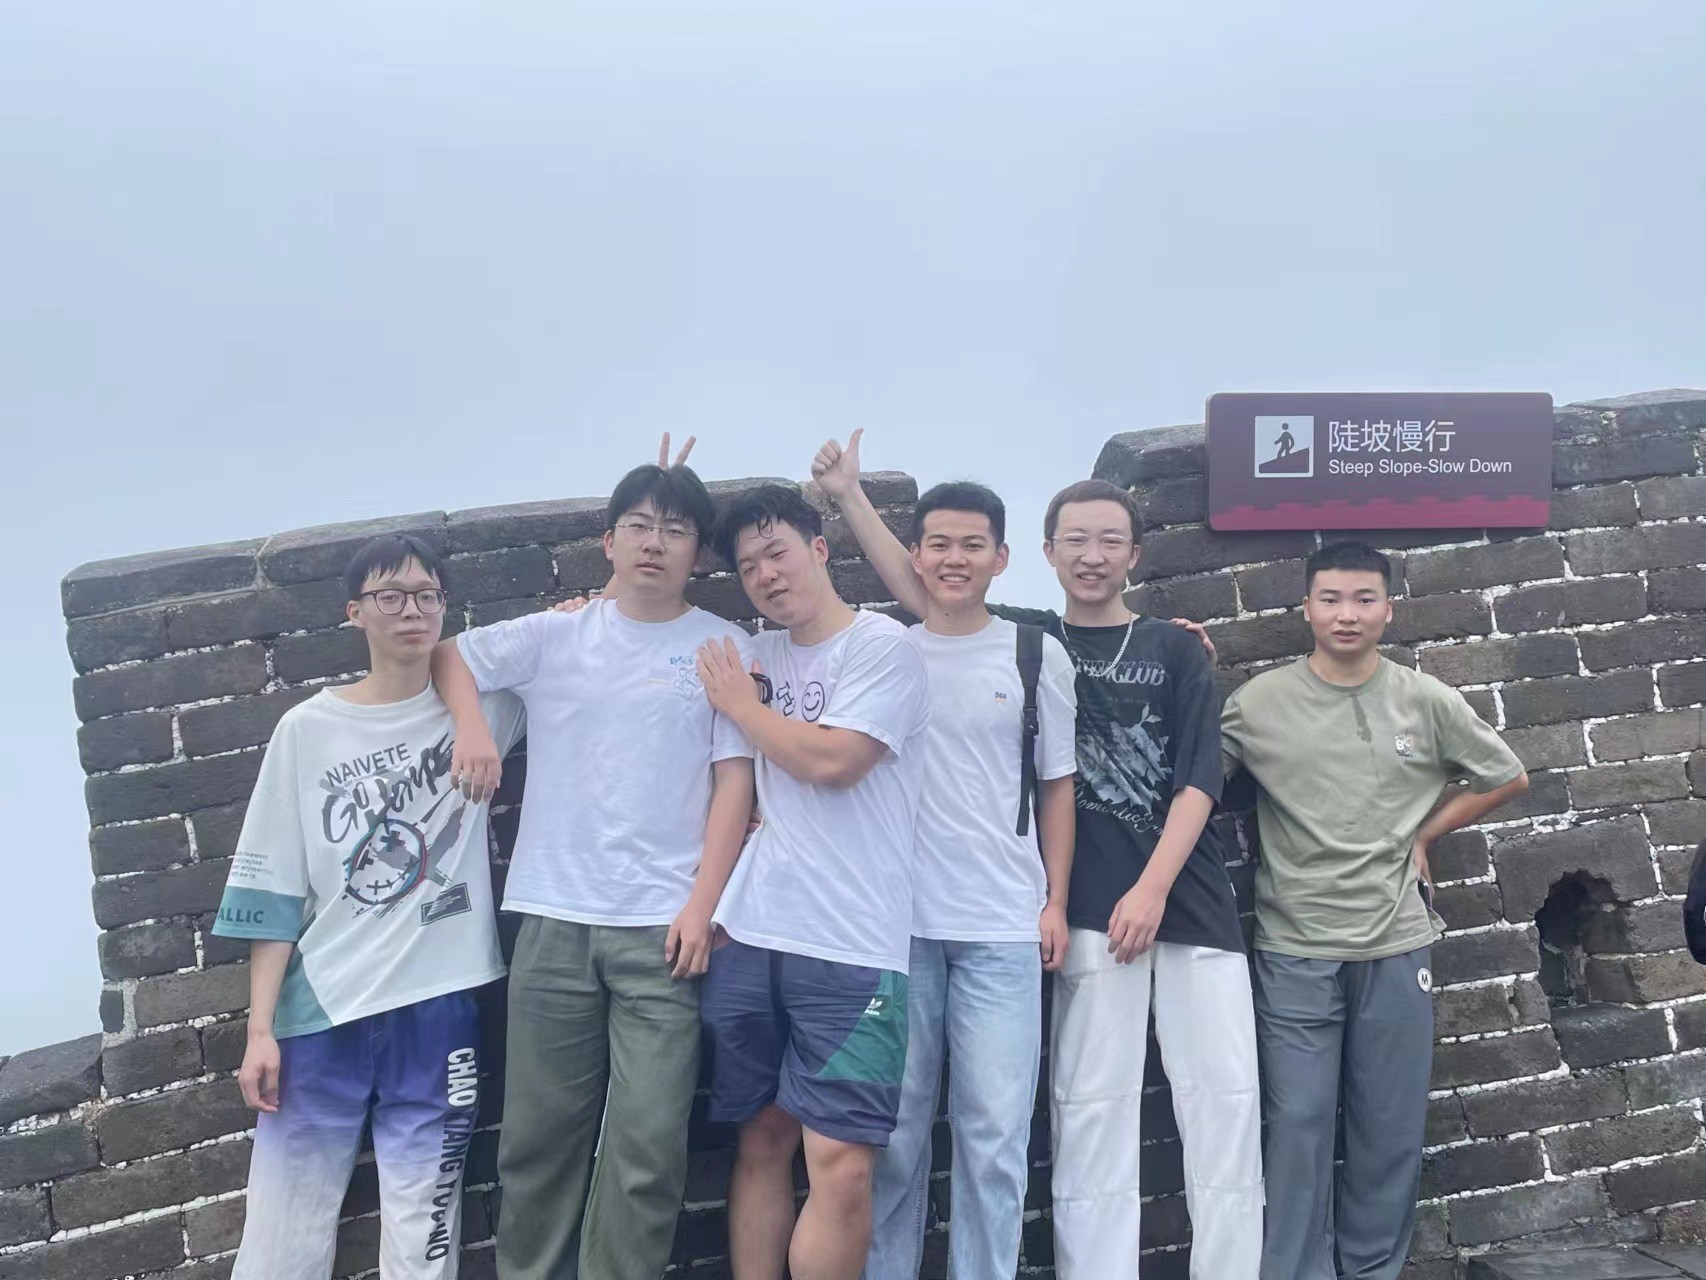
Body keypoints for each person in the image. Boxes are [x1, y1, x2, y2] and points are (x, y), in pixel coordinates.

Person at [815, 432, 1263, 1279]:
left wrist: (1115, 892)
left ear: (1134, 553)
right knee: (1027, 1122)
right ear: (1047, 553)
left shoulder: (1141, 647)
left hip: (1122, 906)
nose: (1092, 556)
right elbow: (925, 583)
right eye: (1076, 540)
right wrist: (848, 496)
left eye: (1110, 540)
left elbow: (1180, 779)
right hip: (1009, 913)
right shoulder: (1021, 636)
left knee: (1207, 1107)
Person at [430, 455, 756, 1280]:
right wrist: (473, 728)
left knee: (649, 1148)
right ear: (608, 542)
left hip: (664, 928)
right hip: (554, 916)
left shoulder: (725, 647)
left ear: (699, 554)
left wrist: (703, 905)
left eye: (675, 530)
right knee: (539, 1142)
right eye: (638, 526)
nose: (655, 543)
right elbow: (448, 656)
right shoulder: (556, 635)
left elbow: (734, 785)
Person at [214, 534, 524, 1280]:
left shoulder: (489, 714)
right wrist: (259, 1032)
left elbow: (572, 649)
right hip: (324, 1011)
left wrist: (474, 718)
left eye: (426, 595)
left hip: (441, 1008)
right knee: (282, 1239)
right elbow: (275, 892)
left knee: (426, 1236)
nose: (410, 610)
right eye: (390, 596)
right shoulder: (307, 730)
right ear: (355, 612)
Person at [1220, 540, 1528, 1280]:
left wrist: (1425, 833)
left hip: (1395, 940)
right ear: (1306, 608)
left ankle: (1370, 1271)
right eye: (1330, 599)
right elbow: (1193, 786)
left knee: (1387, 1126)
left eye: (1364, 599)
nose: (1346, 614)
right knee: (1297, 1122)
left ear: (1389, 608)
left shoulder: (1424, 699)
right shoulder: (1257, 703)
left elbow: (1505, 775)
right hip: (1295, 942)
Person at [809, 465, 1077, 1279]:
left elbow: (1057, 787)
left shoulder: (1035, 654)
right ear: (916, 556)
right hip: (899, 929)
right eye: (938, 545)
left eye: (972, 545)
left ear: (1001, 558)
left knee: (995, 1139)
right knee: (893, 1135)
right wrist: (847, 496)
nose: (954, 559)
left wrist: (1055, 901)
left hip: (1003, 927)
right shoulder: (885, 653)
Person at [693, 483, 929, 1280]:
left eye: (778, 552)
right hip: (750, 931)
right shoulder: (749, 654)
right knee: (761, 1138)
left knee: (842, 1165)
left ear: (819, 549)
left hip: (854, 943)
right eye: (748, 566)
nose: (766, 574)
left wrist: (743, 706)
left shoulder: (882, 646)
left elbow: (835, 762)